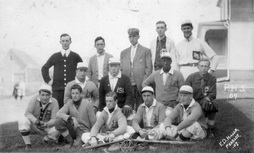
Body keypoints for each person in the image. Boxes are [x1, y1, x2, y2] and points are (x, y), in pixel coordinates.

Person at [41, 33, 83, 108]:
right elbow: (44, 68)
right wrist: (49, 81)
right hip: (57, 90)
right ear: (60, 42)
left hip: (72, 90)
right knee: (57, 109)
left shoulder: (75, 56)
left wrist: (80, 81)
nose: (65, 43)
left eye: (67, 41)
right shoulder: (55, 56)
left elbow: (83, 69)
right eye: (63, 41)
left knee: (72, 109)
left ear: (70, 42)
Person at [18, 84, 59, 150]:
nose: (45, 98)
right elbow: (27, 113)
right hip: (33, 125)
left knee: (58, 128)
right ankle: (28, 144)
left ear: (50, 95)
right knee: (22, 120)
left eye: (47, 95)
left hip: (45, 127)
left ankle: (46, 139)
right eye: (43, 95)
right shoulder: (34, 99)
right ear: (39, 95)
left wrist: (46, 124)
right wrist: (35, 121)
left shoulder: (54, 102)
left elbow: (54, 119)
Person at [121, 28, 152, 111]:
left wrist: (144, 83)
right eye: (130, 36)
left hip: (140, 84)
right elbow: (121, 69)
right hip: (128, 84)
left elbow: (148, 69)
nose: (132, 38)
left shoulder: (146, 51)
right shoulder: (124, 52)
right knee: (128, 107)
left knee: (140, 107)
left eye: (134, 36)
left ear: (138, 37)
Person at [184, 59, 217, 137]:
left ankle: (210, 128)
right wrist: (190, 102)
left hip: (204, 100)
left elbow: (213, 93)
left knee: (213, 105)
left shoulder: (212, 78)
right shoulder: (191, 77)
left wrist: (208, 98)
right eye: (201, 66)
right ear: (198, 67)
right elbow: (185, 90)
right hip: (193, 101)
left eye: (206, 66)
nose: (204, 68)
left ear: (209, 68)